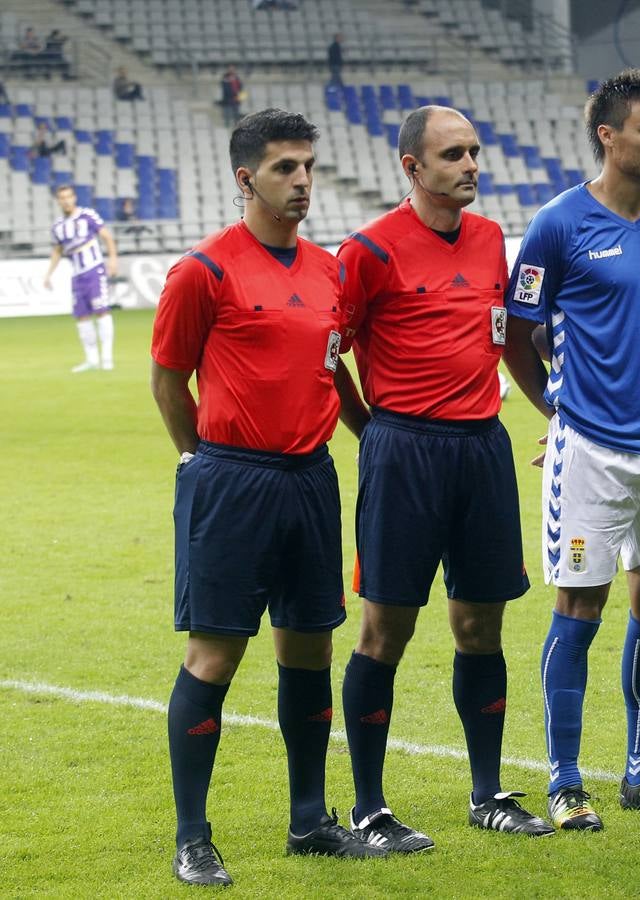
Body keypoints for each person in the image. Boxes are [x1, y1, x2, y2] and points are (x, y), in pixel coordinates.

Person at [150, 108, 386, 887]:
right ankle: (193, 837)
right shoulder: (204, 271)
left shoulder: (328, 271)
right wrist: (201, 460)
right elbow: (168, 379)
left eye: (309, 166)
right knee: (215, 654)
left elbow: (331, 365)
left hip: (310, 479)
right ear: (247, 179)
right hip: (230, 481)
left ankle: (310, 821)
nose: (303, 181)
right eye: (286, 168)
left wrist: (368, 433)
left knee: (309, 647)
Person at [334, 105, 555, 848]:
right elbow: (328, 354)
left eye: (474, 152)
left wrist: (558, 410)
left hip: (482, 448)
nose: (470, 165)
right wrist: (373, 431)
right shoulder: (368, 250)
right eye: (453, 154)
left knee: (481, 625)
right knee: (385, 628)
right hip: (405, 450)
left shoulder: (491, 240)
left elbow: (511, 334)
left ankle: (488, 793)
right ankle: (369, 808)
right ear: (412, 167)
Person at [503, 68, 640, 831]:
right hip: (590, 451)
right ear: (607, 135)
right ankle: (564, 781)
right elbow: (516, 331)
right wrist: (555, 410)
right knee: (580, 607)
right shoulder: (557, 224)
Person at [44, 184, 118, 372]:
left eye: (69, 196)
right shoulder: (58, 226)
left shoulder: (87, 215)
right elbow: (57, 251)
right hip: (77, 275)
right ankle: (92, 359)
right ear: (58, 201)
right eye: (62, 198)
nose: (66, 201)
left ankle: (107, 358)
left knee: (102, 311)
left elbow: (107, 237)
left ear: (74, 198)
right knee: (82, 316)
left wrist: (113, 260)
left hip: (94, 270)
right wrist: (48, 274)